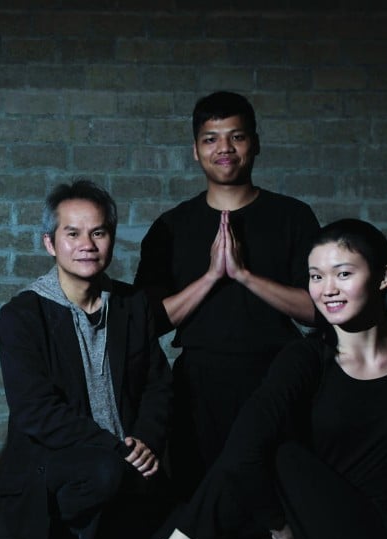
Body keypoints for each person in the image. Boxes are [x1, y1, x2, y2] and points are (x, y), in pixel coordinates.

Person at [75, 220, 387, 539]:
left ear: (384, 276)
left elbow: (384, 462)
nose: (328, 289)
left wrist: (278, 520)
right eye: (316, 277)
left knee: (274, 449)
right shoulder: (306, 359)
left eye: (343, 274)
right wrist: (279, 521)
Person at [135, 91, 320, 498]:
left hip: (277, 373)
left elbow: (319, 310)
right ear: (195, 150)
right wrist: (211, 277)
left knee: (279, 496)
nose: (224, 148)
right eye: (211, 138)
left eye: (236, 137)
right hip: (199, 381)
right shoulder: (171, 226)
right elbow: (149, 322)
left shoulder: (293, 216)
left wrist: (244, 275)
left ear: (255, 143)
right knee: (200, 498)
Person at [0, 179, 173, 539]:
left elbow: (158, 384)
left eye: (98, 233)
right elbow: (36, 412)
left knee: (185, 536)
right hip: (61, 467)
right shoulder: (22, 315)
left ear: (111, 239)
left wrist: (146, 440)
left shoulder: (132, 304)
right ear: (50, 243)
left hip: (128, 459)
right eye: (72, 233)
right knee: (103, 472)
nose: (87, 245)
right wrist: (116, 448)